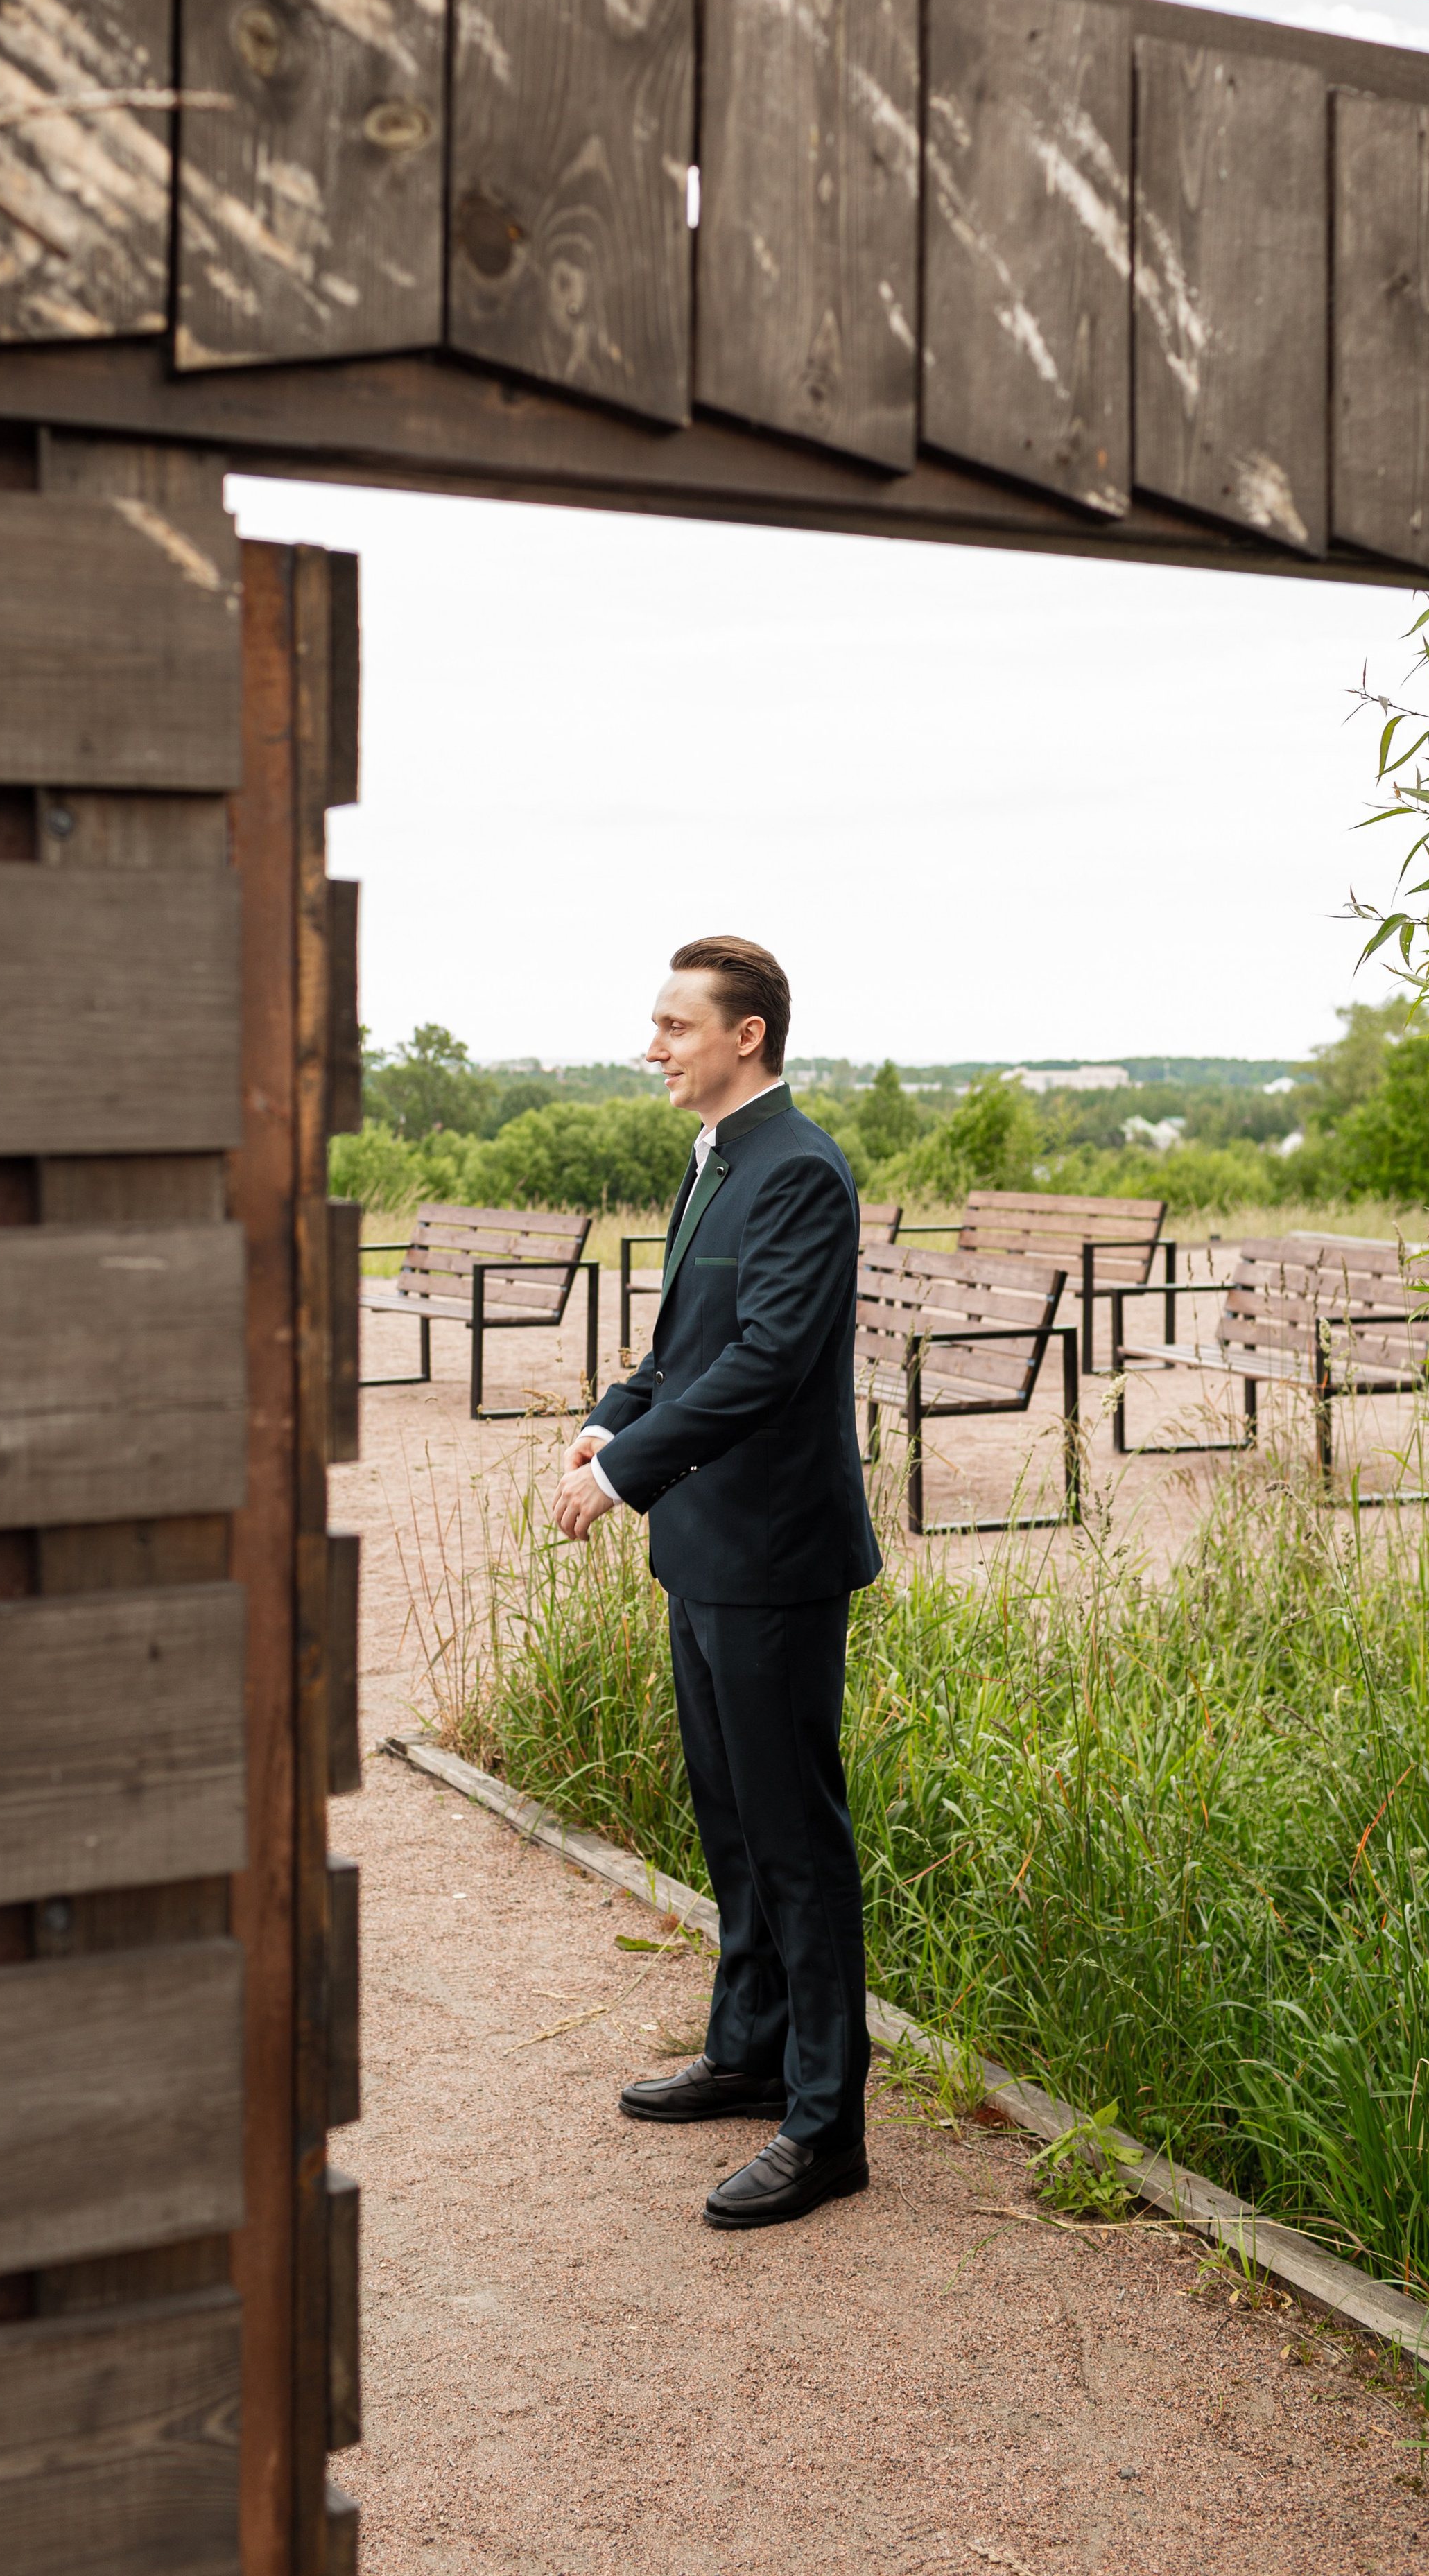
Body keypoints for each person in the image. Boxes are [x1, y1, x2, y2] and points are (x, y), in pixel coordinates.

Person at [551, 936, 882, 2230]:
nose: (654, 1046)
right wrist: (611, 1413)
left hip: (776, 1556)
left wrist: (623, 1472)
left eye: (674, 1026)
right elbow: (688, 1347)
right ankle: (748, 2051)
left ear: (747, 1036)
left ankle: (826, 2125)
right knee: (734, 1822)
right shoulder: (715, 1163)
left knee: (797, 1841)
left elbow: (769, 1363)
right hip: (708, 1547)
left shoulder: (800, 1170)